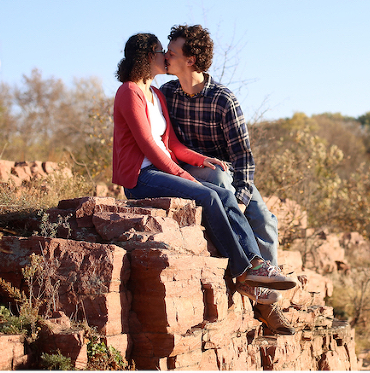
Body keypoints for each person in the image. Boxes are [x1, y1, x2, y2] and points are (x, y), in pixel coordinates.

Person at [111, 33, 296, 304]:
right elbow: (149, 145)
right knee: (208, 195)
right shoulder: (128, 92)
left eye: (168, 51)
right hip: (142, 177)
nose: (165, 55)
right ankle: (243, 273)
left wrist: (201, 161)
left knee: (224, 195)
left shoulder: (157, 94)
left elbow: (171, 142)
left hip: (163, 172)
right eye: (161, 50)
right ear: (149, 56)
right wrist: (185, 175)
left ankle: (256, 263)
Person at [159, 24, 295, 335]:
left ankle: (266, 301)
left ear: (191, 60)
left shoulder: (223, 100)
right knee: (218, 175)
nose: (166, 56)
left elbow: (244, 158)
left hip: (230, 176)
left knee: (266, 220)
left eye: (172, 52)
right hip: (187, 171)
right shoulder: (165, 95)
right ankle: (251, 274)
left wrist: (243, 200)